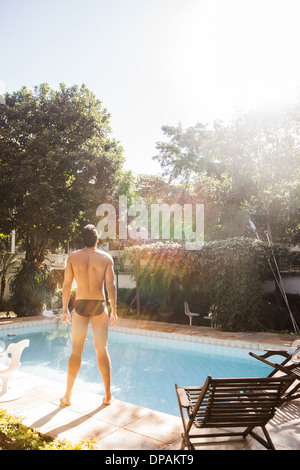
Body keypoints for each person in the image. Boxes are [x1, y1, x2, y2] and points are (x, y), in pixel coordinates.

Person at [60, 224, 117, 407]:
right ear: (97, 239)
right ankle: (107, 396)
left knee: (76, 350)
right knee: (102, 349)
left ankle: (67, 396)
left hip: (80, 304)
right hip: (99, 305)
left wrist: (64, 310)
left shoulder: (73, 257)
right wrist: (114, 310)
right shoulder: (106, 258)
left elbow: (67, 285)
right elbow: (111, 287)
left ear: (83, 240)